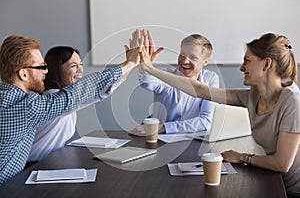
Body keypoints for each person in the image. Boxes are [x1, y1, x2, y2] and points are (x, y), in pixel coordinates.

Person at [139, 31, 300, 196]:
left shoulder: (292, 100)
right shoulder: (252, 96)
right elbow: (200, 90)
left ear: (266, 64)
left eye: (247, 60)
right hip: (275, 181)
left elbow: (282, 164)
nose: (241, 67)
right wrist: (150, 69)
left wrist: (242, 157)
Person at [0, 30, 140, 184]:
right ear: (23, 74)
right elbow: (79, 92)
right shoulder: (26, 107)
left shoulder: (8, 98)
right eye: (40, 67)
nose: (46, 72)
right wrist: (129, 64)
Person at [27, 46, 123, 162]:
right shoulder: (53, 98)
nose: (80, 70)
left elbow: (106, 88)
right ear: (57, 70)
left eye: (80, 65)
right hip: (33, 167)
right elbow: (101, 87)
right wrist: (131, 62)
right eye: (73, 66)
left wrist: (133, 63)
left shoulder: (64, 97)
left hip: (51, 162)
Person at [129, 33, 219, 135]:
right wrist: (146, 67)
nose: (185, 61)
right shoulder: (167, 75)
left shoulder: (210, 79)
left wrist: (164, 128)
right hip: (161, 139)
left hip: (190, 139)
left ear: (205, 62)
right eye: (182, 55)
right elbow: (147, 83)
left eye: (193, 58)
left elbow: (205, 122)